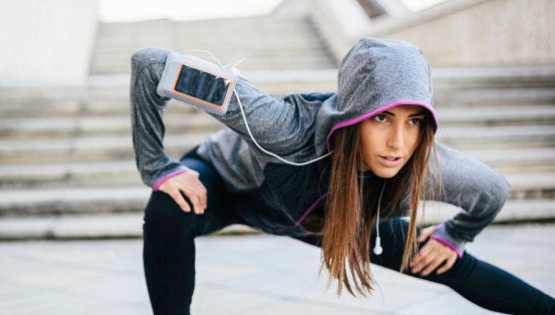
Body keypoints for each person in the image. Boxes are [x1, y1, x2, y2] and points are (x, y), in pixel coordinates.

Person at [130, 38, 555, 315]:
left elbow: (492, 191)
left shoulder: (416, 168)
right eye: (383, 118)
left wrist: (456, 234)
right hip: (229, 186)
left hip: (338, 214)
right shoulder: (282, 125)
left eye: (414, 121)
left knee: (445, 262)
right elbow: (152, 66)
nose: (398, 143)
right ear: (355, 116)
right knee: (168, 207)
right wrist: (157, 167)